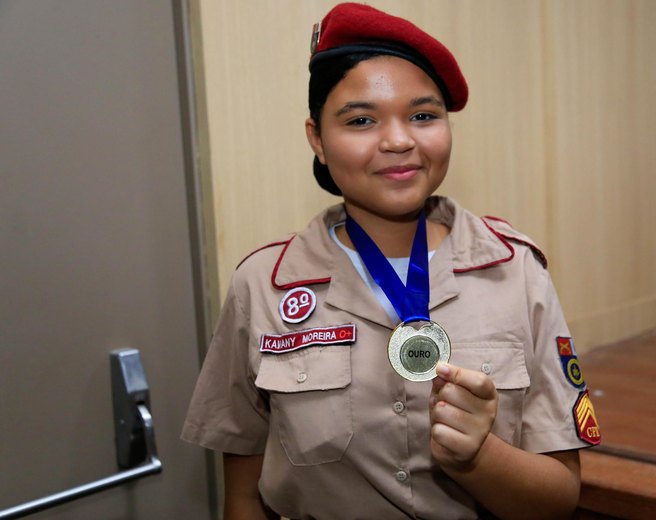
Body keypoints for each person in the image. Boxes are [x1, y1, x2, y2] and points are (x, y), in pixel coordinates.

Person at [182, 3, 601, 519]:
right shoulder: (263, 285)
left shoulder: (515, 270)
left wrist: (478, 455)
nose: (400, 140)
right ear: (317, 138)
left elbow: (557, 501)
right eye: (361, 120)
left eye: (423, 115)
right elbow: (244, 496)